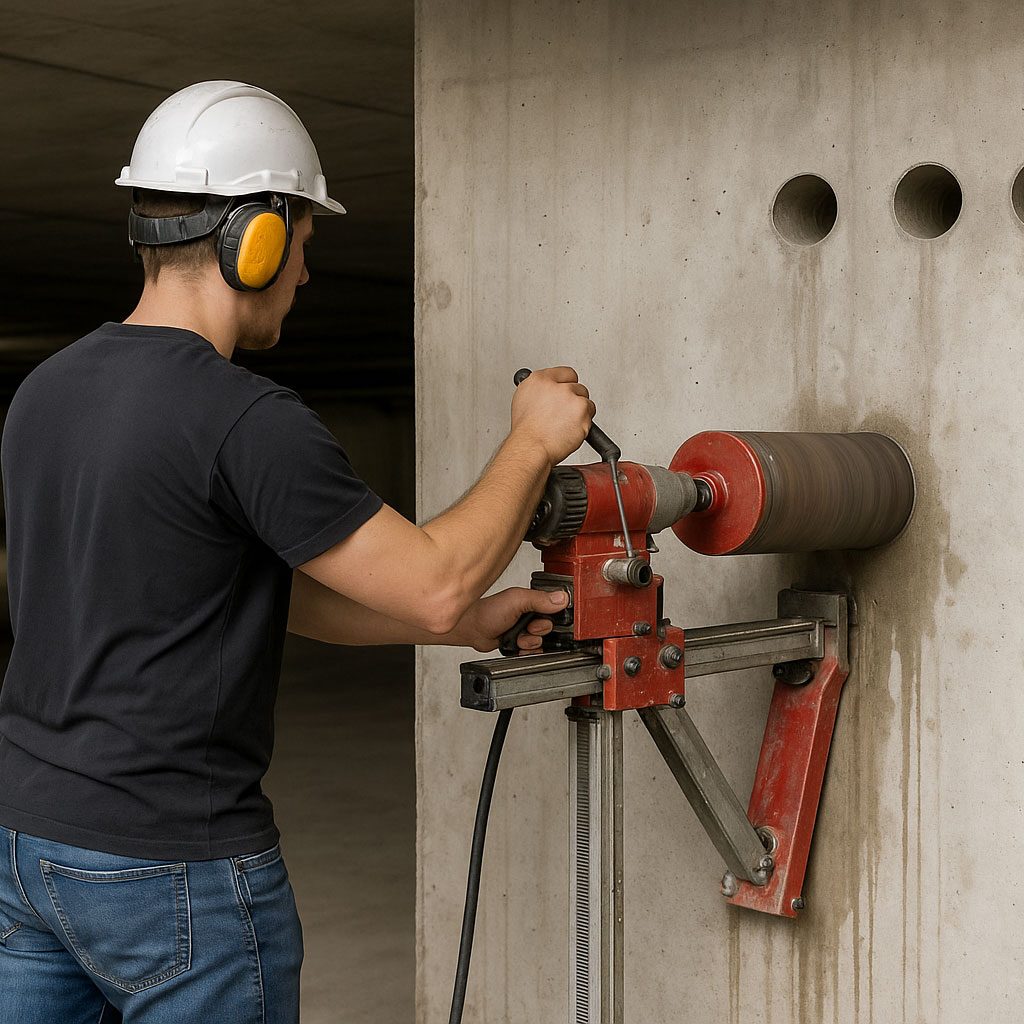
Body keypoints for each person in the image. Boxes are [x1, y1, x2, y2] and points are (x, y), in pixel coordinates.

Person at [0, 82, 594, 1024]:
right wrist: (532, 442)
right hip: (176, 871)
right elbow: (437, 581)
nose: (307, 277)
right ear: (256, 238)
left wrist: (466, 630)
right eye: (303, 247)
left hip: (28, 848)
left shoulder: (46, 392)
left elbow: (236, 590)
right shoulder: (246, 420)